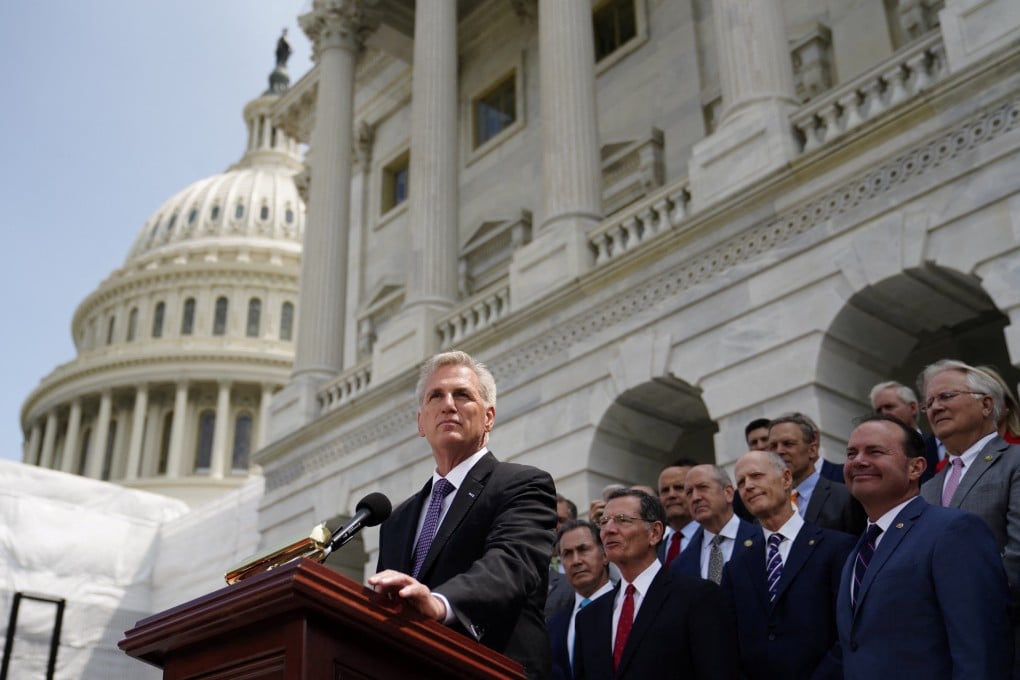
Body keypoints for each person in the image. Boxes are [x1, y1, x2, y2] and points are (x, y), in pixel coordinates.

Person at [369, 351, 557, 679]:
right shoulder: (398, 520)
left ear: (488, 417)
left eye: (462, 394)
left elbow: (509, 565)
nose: (448, 404)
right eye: (435, 396)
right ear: (420, 423)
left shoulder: (523, 485)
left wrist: (440, 603)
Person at [837, 414, 1010, 679]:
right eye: (851, 454)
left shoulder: (953, 531)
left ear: (915, 468)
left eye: (875, 451)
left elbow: (980, 650)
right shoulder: (857, 553)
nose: (858, 461)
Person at [573, 488, 738, 679]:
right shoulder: (588, 617)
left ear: (655, 532)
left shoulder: (696, 597)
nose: (609, 530)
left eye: (622, 520)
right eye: (603, 521)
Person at [724, 450, 854, 680]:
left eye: (756, 476)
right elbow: (729, 645)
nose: (748, 486)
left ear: (786, 479)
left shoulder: (836, 548)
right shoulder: (736, 568)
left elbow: (847, 631)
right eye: (741, 482)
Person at [768, 413, 866, 535]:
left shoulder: (846, 497)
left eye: (788, 444)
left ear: (812, 450)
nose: (779, 451)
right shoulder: (768, 507)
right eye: (773, 446)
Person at [547, 520, 615, 680]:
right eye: (567, 554)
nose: (576, 561)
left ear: (605, 554)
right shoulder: (554, 625)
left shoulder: (628, 605)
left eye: (583, 550)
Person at [670, 464, 756, 582]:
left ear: (728, 493)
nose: (695, 498)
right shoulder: (680, 564)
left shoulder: (762, 539)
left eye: (703, 487)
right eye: (689, 492)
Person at [870, 380, 941, 481]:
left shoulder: (938, 447)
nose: (883, 414)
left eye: (889, 407)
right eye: (878, 410)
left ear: (912, 408)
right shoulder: (871, 454)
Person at [656, 459, 699, 567]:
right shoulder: (654, 550)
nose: (671, 495)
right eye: (665, 490)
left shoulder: (713, 538)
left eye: (679, 488)